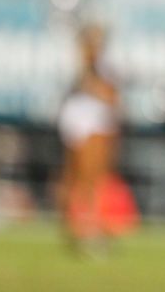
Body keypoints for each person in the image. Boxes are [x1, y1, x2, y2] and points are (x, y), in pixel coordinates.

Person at [56, 23, 127, 255]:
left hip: (88, 120)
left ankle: (81, 227)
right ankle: (87, 228)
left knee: (84, 178)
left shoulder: (97, 66)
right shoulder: (89, 67)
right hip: (89, 121)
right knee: (88, 179)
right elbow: (105, 93)